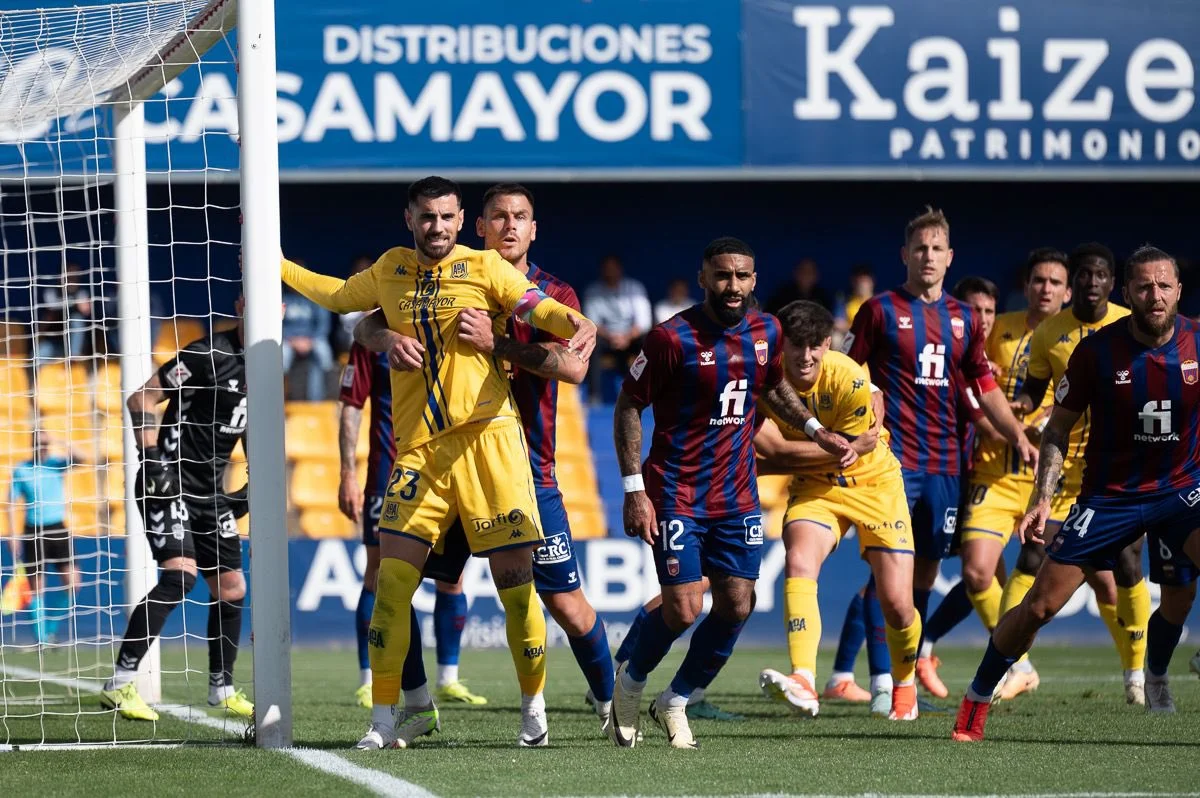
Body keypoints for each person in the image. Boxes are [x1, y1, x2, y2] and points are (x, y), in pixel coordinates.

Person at [279, 175, 597, 751]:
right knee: (391, 587)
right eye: (428, 217)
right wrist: (274, 263)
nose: (440, 228)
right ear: (410, 218)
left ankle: (534, 712)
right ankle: (384, 721)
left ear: (460, 219)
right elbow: (337, 296)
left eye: (449, 217)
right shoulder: (390, 269)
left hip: (489, 443)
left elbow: (541, 308)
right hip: (421, 452)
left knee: (516, 587)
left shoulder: (485, 267)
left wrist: (580, 325)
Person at [353, 182, 616, 732]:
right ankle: (419, 703)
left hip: (525, 467)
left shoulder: (553, 293)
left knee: (563, 604)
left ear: (534, 228)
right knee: (396, 586)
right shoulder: (439, 277)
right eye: (499, 217)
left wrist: (495, 344)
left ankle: (612, 702)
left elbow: (573, 367)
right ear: (480, 226)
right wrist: (383, 338)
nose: (510, 227)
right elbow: (368, 320)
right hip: (442, 460)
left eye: (521, 217)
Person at [609, 237, 855, 749]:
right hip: (675, 492)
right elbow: (629, 406)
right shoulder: (670, 339)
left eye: (743, 276)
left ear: (755, 280)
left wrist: (815, 430)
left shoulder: (768, 330)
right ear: (703, 278)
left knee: (739, 604)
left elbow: (770, 387)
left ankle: (674, 701)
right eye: (723, 275)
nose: (733, 286)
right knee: (681, 609)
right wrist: (635, 491)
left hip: (737, 494)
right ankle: (629, 686)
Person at [953, 246, 1200, 740]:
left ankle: (1154, 675)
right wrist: (1043, 499)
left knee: (1179, 598)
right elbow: (1057, 430)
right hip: (1109, 497)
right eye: (1144, 287)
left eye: (1164, 286)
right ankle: (976, 699)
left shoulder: (1198, 342)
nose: (1155, 295)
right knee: (1040, 607)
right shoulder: (1097, 352)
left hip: (1181, 489)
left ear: (1178, 291)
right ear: (1126, 294)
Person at [834, 208, 1036, 707]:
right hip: (890, 464)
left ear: (950, 257)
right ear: (905, 254)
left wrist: (1017, 437)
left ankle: (902, 669)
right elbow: (845, 371)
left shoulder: (965, 319)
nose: (927, 256)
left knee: (922, 578)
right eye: (918, 248)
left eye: (935, 249)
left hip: (947, 465)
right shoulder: (879, 310)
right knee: (888, 575)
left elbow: (984, 387)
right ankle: (886, 685)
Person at [754, 301, 922, 720]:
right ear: (782, 345)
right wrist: (781, 460)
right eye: (796, 346)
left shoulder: (848, 377)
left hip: (875, 484)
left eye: (815, 346)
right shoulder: (763, 381)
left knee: (898, 603)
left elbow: (852, 451)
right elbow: (793, 454)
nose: (805, 356)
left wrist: (778, 461)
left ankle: (905, 684)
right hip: (818, 487)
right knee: (798, 562)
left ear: (827, 344)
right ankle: (804, 681)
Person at [1003, 243, 1147, 703]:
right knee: (1030, 555)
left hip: (1119, 467)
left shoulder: (1131, 324)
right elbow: (1033, 389)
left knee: (1124, 565)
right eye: (1083, 274)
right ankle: (1012, 663)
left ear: (1112, 283)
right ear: (1075, 283)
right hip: (1062, 464)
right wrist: (1021, 408)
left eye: (1099, 274)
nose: (1090, 281)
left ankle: (1138, 675)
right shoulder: (1050, 332)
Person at [100, 297, 253, 722]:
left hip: (210, 494)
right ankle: (119, 683)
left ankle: (221, 688)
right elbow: (141, 399)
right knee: (180, 576)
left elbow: (249, 424)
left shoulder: (264, 365)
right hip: (167, 483)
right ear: (239, 306)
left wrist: (255, 481)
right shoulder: (206, 354)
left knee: (232, 587)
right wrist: (150, 460)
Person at [920, 259, 1072, 685]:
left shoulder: (1081, 340)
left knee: (1109, 581)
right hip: (988, 474)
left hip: (1051, 482)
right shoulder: (989, 331)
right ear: (1025, 286)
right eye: (1038, 280)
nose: (1045, 288)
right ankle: (1015, 665)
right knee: (977, 573)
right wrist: (1014, 424)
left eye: (1054, 281)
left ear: (1068, 292)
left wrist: (1042, 422)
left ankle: (1141, 676)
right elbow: (974, 393)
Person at [337, 340, 486, 711]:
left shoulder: (445, 318)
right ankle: (367, 679)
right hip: (390, 475)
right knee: (379, 575)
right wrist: (347, 473)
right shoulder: (372, 338)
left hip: (447, 473)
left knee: (452, 578)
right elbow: (351, 407)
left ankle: (448, 678)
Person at [9, 432, 86, 644]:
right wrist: (13, 535)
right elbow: (12, 503)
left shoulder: (55, 464)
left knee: (73, 584)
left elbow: (82, 458)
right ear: (32, 445)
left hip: (57, 528)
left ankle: (50, 629)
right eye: (39, 443)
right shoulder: (21, 470)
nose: (43, 447)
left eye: (45, 443)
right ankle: (41, 638)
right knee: (36, 587)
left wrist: (59, 439)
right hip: (33, 530)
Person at [583, 255, 652, 402]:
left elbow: (644, 322)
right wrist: (613, 337)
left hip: (631, 337)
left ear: (620, 269)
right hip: (607, 338)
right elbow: (591, 322)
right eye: (607, 269)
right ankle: (594, 396)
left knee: (650, 341)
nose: (610, 272)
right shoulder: (593, 291)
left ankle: (648, 393)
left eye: (613, 268)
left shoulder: (635, 288)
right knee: (590, 342)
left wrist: (626, 338)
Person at [282, 278, 335, 400]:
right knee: (282, 356)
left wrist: (310, 341)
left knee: (323, 352)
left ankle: (322, 399)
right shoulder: (282, 298)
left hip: (312, 339)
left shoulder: (314, 299)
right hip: (289, 340)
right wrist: (293, 340)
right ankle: (281, 397)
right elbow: (276, 326)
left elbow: (323, 326)